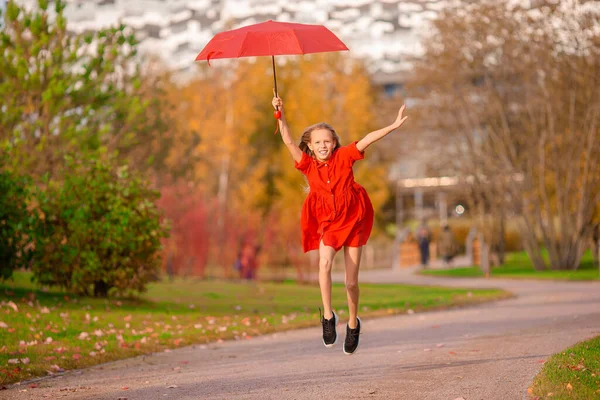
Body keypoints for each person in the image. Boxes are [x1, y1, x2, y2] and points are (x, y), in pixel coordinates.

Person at [271, 90, 408, 355]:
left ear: (334, 143)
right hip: (328, 221)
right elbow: (287, 139)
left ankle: (354, 323)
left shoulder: (344, 156)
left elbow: (367, 139)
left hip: (353, 218)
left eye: (327, 141)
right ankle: (328, 317)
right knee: (324, 264)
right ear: (310, 146)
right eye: (317, 142)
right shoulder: (307, 165)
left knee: (351, 283)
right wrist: (280, 112)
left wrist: (393, 125)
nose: (323, 145)